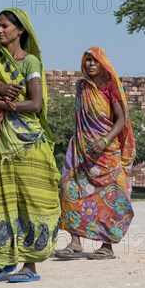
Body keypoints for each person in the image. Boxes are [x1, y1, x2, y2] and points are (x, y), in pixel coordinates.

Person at [0, 8, 60, 283]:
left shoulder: (30, 62)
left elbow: (35, 104)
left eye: (5, 26)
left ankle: (29, 266)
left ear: (20, 30)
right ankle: (3, 259)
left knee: (29, 202)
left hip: (27, 143)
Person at [55, 46, 136, 260]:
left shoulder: (111, 86)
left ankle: (107, 245)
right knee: (71, 189)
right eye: (87, 60)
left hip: (106, 150)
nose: (90, 64)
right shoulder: (81, 86)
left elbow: (121, 120)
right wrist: (81, 143)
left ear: (102, 63)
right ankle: (75, 242)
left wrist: (104, 140)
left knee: (113, 194)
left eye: (95, 60)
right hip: (81, 149)